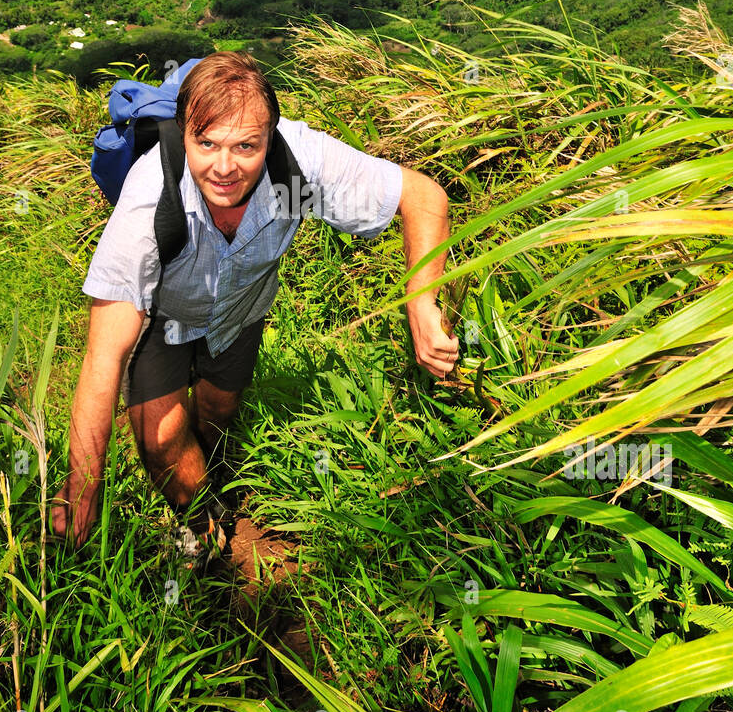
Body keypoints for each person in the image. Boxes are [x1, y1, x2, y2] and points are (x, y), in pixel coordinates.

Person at [51, 50, 458, 566]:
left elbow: (422, 196)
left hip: (241, 312)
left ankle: (216, 476)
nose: (225, 167)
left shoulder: (296, 163)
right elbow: (102, 359)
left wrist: (421, 305)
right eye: (207, 144)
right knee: (160, 442)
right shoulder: (151, 200)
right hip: (162, 317)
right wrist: (82, 489)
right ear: (184, 134)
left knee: (219, 414)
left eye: (246, 145)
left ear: (271, 134)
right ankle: (200, 524)